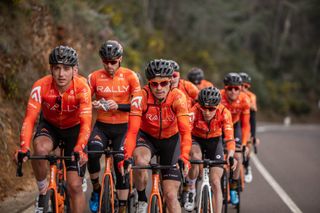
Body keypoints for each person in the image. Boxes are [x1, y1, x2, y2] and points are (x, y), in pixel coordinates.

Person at [15, 45, 92, 213]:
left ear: (75, 70)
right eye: (57, 68)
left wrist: (80, 147)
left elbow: (86, 122)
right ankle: (42, 191)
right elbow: (29, 119)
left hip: (74, 129)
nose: (61, 74)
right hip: (50, 126)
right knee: (40, 148)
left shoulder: (83, 87)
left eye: (66, 68)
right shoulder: (40, 85)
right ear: (51, 68)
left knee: (75, 186)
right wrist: (24, 146)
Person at [119, 59, 192, 213]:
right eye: (154, 84)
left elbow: (185, 131)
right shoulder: (140, 97)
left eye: (164, 83)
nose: (159, 88)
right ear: (149, 83)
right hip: (147, 138)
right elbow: (132, 131)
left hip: (171, 141)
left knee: (171, 196)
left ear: (170, 82)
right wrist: (127, 157)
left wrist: (185, 156)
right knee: (139, 160)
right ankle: (141, 198)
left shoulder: (178, 97)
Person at [87, 40, 141, 213]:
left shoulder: (131, 76)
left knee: (120, 161)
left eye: (113, 62)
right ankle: (96, 190)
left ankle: (123, 206)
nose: (109, 66)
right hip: (102, 126)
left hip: (123, 128)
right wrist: (92, 103)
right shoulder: (94, 77)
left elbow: (138, 105)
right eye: (106, 62)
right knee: (93, 152)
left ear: (120, 59)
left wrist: (118, 106)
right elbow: (84, 100)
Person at [183, 87, 236, 213]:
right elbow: (185, 134)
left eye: (211, 109)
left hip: (215, 142)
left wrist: (231, 154)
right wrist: (184, 155)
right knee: (196, 158)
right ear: (199, 105)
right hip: (196, 139)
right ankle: (191, 188)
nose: (207, 112)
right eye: (204, 108)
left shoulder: (224, 112)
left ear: (217, 106)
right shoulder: (193, 111)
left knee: (216, 182)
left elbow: (229, 138)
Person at [220, 72, 250, 205]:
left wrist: (244, 143)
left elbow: (245, 125)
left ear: (240, 88)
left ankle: (233, 188)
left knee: (237, 156)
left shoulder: (244, 100)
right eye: (229, 88)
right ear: (225, 88)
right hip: (220, 127)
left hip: (235, 126)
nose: (233, 91)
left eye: (236, 88)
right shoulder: (219, 97)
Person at [239, 72, 260, 183]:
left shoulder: (251, 96)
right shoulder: (234, 94)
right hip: (235, 122)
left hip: (247, 122)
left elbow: (253, 116)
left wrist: (253, 135)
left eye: (246, 86)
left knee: (247, 144)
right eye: (241, 85)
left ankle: (247, 166)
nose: (243, 88)